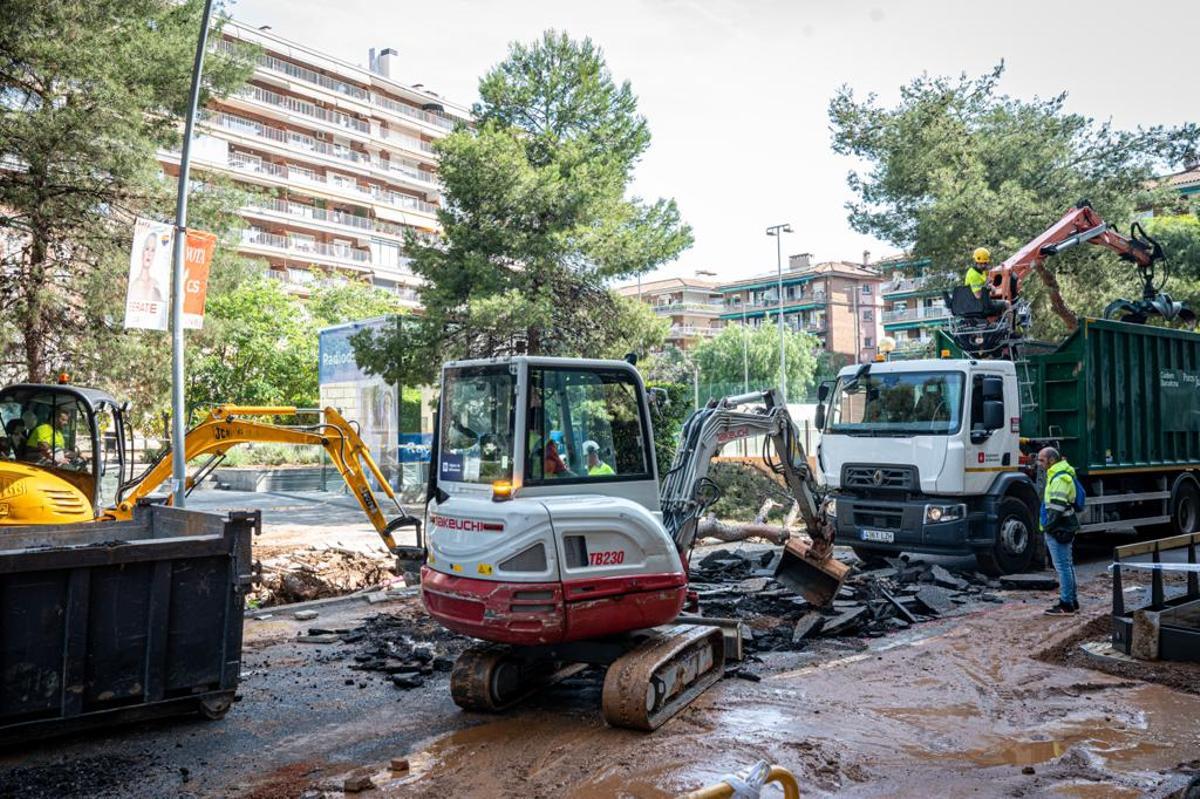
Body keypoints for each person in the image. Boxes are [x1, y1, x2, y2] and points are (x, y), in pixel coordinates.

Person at [1038, 446, 1080, 615]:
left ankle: (1066, 604)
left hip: (1059, 529)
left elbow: (1057, 508)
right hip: (1062, 527)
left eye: (1042, 460)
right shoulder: (1059, 475)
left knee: (1062, 567)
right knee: (1067, 565)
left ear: (1051, 460)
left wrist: (1048, 527)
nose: (1039, 464)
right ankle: (1071, 600)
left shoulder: (1059, 478)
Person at [130, 232, 165, 304]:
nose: (149, 253)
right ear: (142, 251)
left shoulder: (157, 285)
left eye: (153, 250)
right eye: (147, 249)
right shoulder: (134, 286)